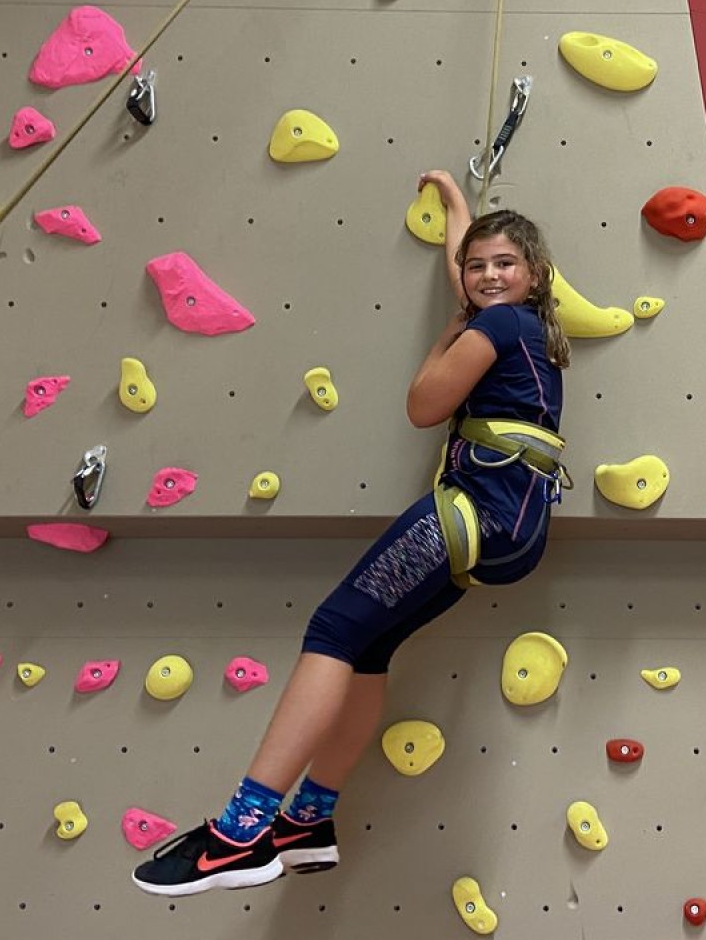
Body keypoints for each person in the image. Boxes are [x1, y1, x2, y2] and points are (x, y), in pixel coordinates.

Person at [133, 170, 571, 896]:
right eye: (477, 264)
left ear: (534, 274)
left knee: (334, 630)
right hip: (511, 526)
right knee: (369, 647)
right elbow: (467, 264)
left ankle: (242, 831)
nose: (487, 274)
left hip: (476, 510)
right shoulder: (534, 334)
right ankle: (309, 816)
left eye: (504, 265)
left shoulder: (493, 324)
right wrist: (455, 203)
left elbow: (424, 406)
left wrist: (447, 333)